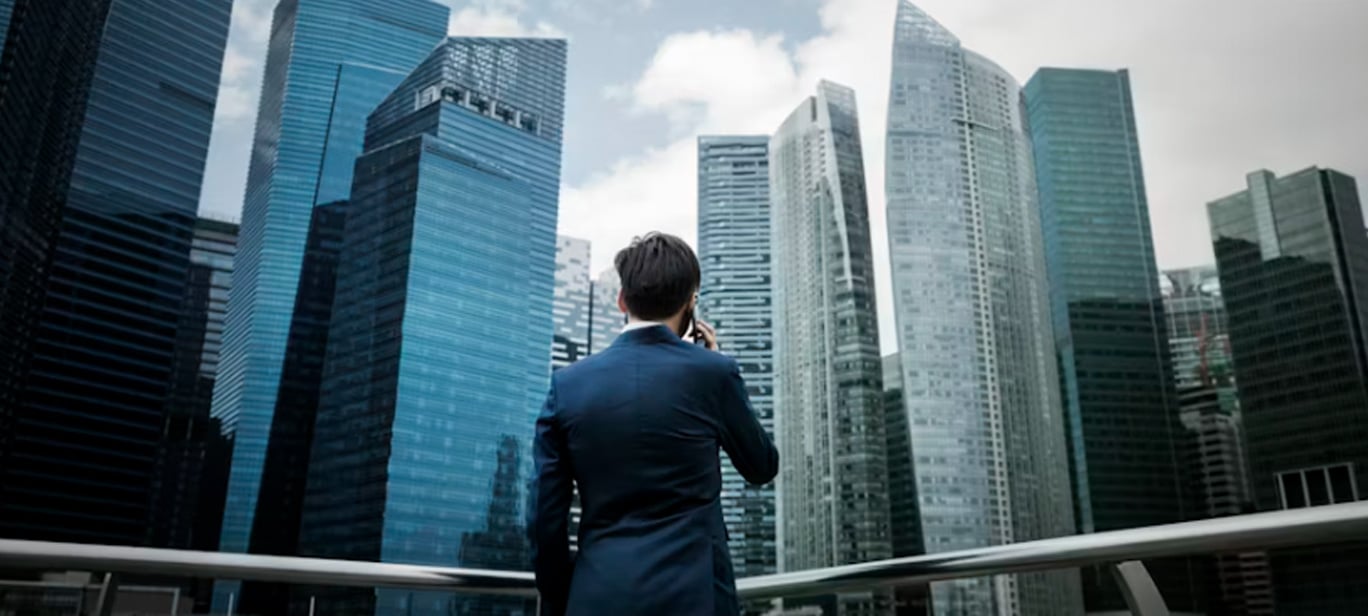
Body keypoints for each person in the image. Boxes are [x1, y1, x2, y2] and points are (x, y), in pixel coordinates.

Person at [530, 232, 780, 616]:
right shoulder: (714, 374)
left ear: (622, 300)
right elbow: (761, 466)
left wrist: (563, 598)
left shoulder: (567, 385)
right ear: (690, 302)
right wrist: (717, 367)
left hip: (597, 597)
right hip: (698, 599)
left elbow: (545, 515)